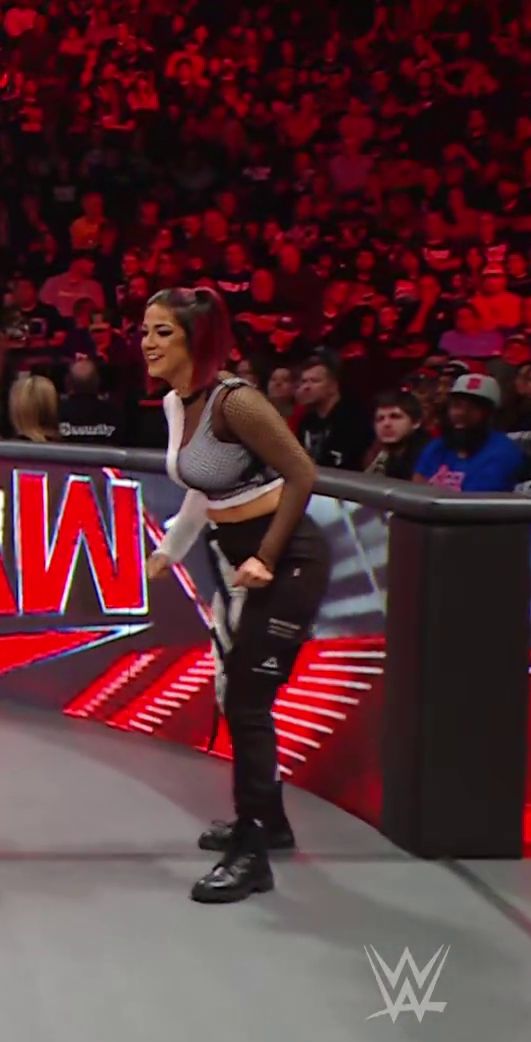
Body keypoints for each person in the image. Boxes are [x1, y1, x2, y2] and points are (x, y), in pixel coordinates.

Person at [144, 287, 330, 904]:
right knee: (234, 693)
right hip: (236, 557)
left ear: (195, 339)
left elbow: (302, 473)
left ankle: (252, 854)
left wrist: (266, 557)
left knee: (248, 702)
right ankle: (268, 822)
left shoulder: (238, 400)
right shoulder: (177, 402)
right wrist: (172, 549)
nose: (147, 342)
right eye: (145, 330)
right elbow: (202, 487)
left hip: (287, 558)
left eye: (163, 332)